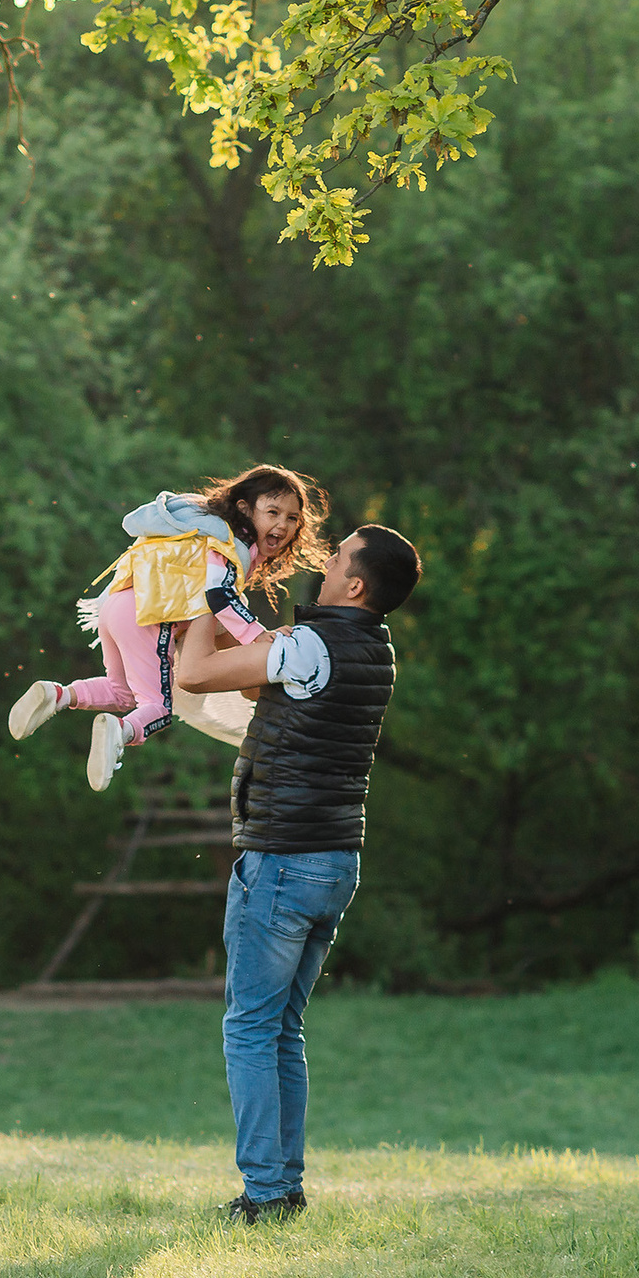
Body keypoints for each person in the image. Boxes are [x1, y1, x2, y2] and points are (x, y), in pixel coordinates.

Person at [173, 521, 422, 1225]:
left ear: (355, 584)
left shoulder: (312, 645)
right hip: (334, 860)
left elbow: (193, 675)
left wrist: (203, 595)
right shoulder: (374, 650)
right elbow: (265, 689)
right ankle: (282, 1188)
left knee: (251, 1028)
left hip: (283, 859)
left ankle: (264, 1194)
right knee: (282, 1028)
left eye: (338, 555)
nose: (326, 558)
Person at [5, 466, 328, 790]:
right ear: (244, 509)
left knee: (121, 692)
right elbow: (219, 595)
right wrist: (258, 635)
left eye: (292, 518)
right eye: (273, 512)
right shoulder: (230, 543)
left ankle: (58, 694)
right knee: (158, 708)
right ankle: (120, 731)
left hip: (117, 604)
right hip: (148, 616)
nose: (282, 525)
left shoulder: (204, 532)